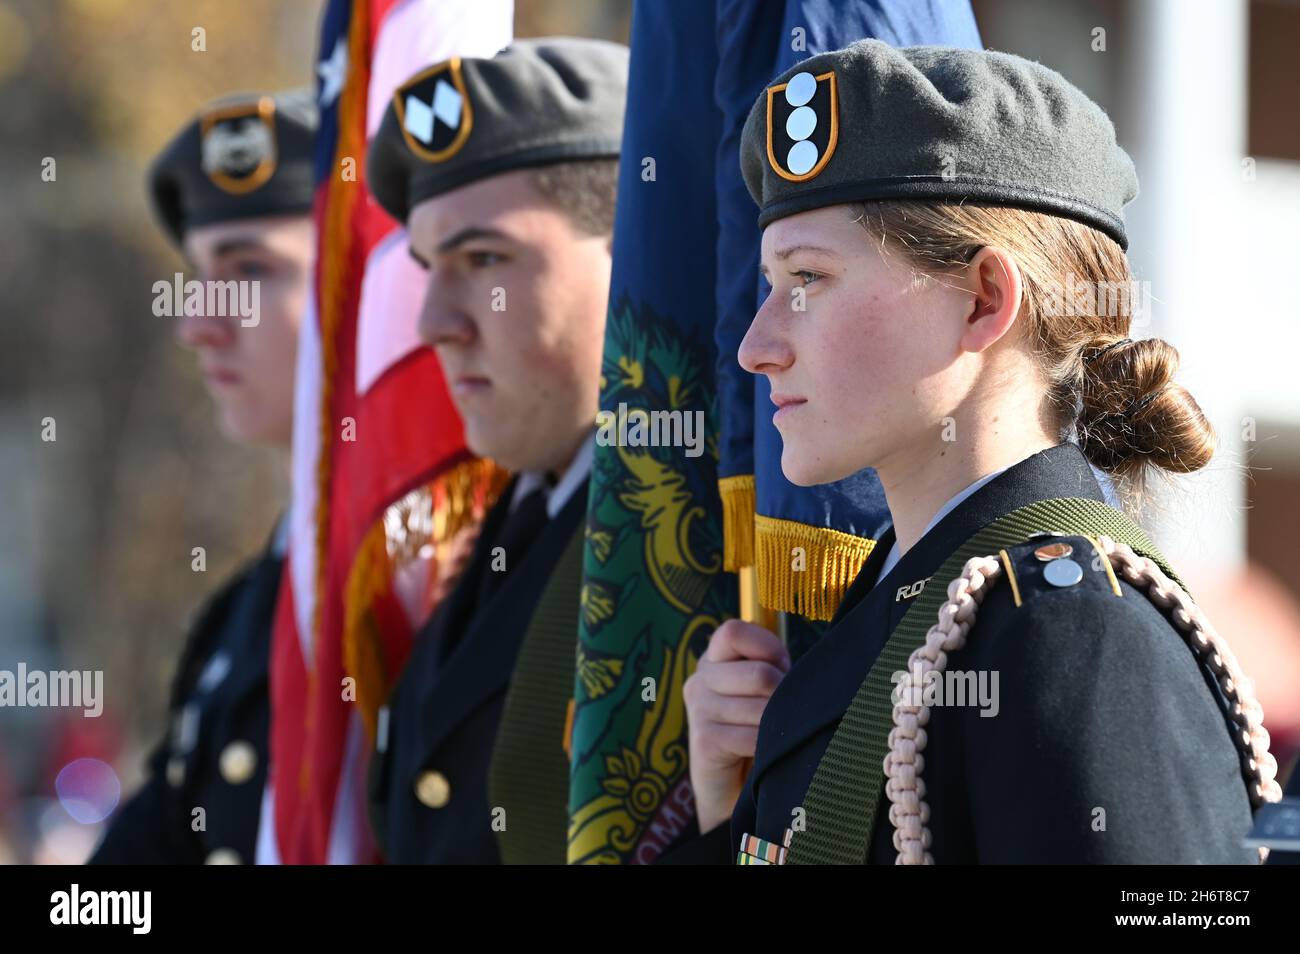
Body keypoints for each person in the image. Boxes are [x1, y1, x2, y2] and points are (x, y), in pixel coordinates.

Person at [673, 40, 1280, 864]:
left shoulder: (1069, 635)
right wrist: (727, 815)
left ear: (984, 301)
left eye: (807, 281)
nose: (756, 346)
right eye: (768, 288)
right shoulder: (911, 606)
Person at [363, 37, 628, 863]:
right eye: (430, 266)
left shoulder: (694, 540)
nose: (433, 322)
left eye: (484, 260)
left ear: (637, 258)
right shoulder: (512, 518)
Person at [89, 89, 317, 864]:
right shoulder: (249, 607)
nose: (198, 324)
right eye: (198, 275)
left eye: (250, 270)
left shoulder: (443, 573)